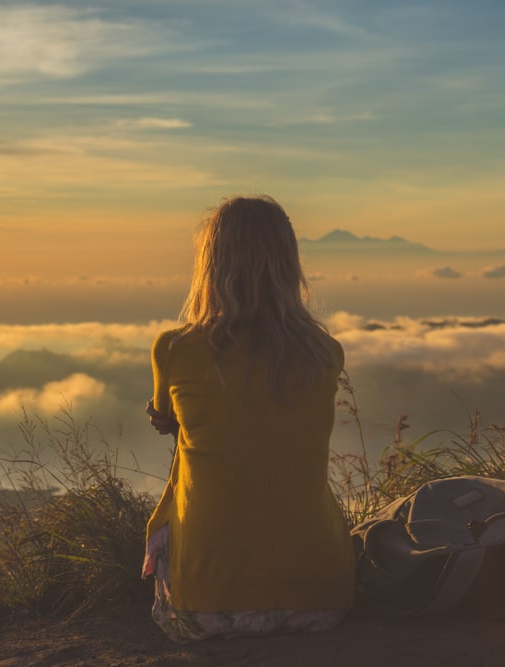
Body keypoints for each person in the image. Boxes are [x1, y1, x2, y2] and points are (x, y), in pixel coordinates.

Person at [141, 194, 355, 642]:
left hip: (205, 609)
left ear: (211, 263)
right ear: (288, 263)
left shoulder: (175, 350)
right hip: (321, 598)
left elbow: (168, 416)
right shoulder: (324, 353)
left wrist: (176, 425)